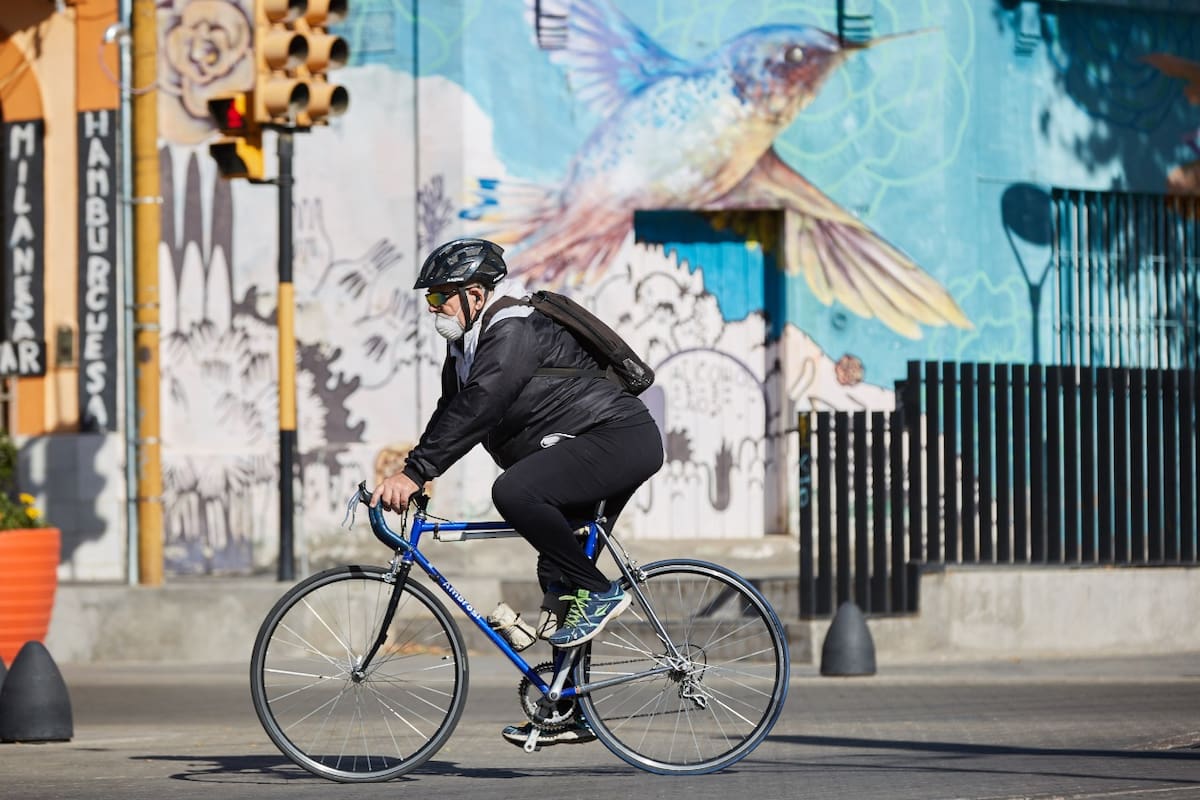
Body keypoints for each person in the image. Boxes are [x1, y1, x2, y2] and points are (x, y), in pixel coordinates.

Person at [369, 237, 664, 746]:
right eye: (429, 299)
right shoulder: (465, 347)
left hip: (618, 438)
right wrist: (418, 469)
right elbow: (452, 411)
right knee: (557, 574)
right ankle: (569, 709)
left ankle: (599, 593)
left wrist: (415, 473)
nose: (434, 308)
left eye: (441, 296)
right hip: (582, 443)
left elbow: (485, 402)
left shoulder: (511, 329)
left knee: (515, 494)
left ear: (476, 295)